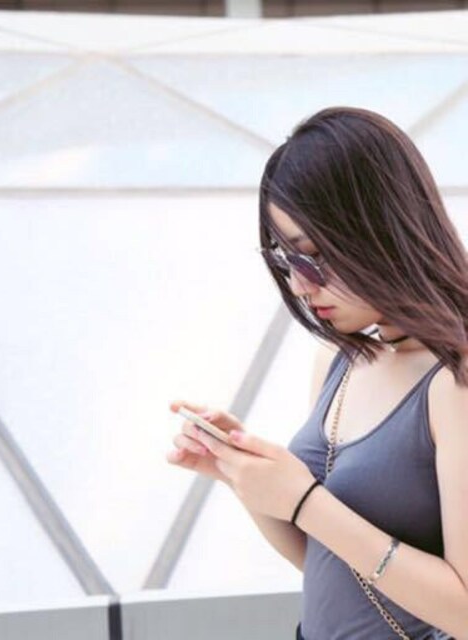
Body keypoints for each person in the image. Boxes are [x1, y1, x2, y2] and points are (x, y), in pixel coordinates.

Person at [166, 106, 468, 640]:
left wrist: (305, 501)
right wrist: (242, 474)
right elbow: (332, 566)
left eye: (313, 257)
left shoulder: (453, 382)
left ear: (382, 229)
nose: (301, 286)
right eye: (287, 261)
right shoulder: (339, 362)